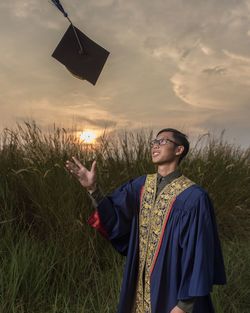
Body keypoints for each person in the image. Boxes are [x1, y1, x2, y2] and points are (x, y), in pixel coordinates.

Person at [66, 128, 226, 313]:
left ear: (179, 150)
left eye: (163, 141)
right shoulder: (140, 186)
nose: (155, 146)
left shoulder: (194, 197)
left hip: (174, 289)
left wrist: (184, 305)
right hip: (139, 288)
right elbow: (115, 218)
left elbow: (200, 252)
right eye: (154, 142)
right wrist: (93, 189)